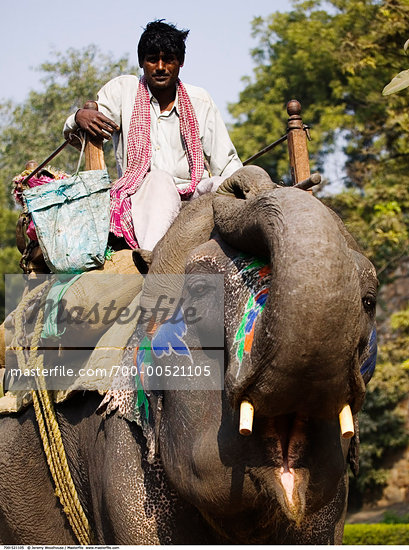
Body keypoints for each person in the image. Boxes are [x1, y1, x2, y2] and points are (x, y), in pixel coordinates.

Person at [64, 20, 242, 251]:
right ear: (141, 62)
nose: (160, 67)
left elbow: (225, 161)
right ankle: (154, 262)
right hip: (142, 195)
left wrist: (247, 190)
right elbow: (83, 132)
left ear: (180, 63)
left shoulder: (199, 100)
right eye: (152, 59)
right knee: (159, 179)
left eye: (168, 59)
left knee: (221, 185)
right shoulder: (123, 91)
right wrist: (79, 117)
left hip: (192, 195)